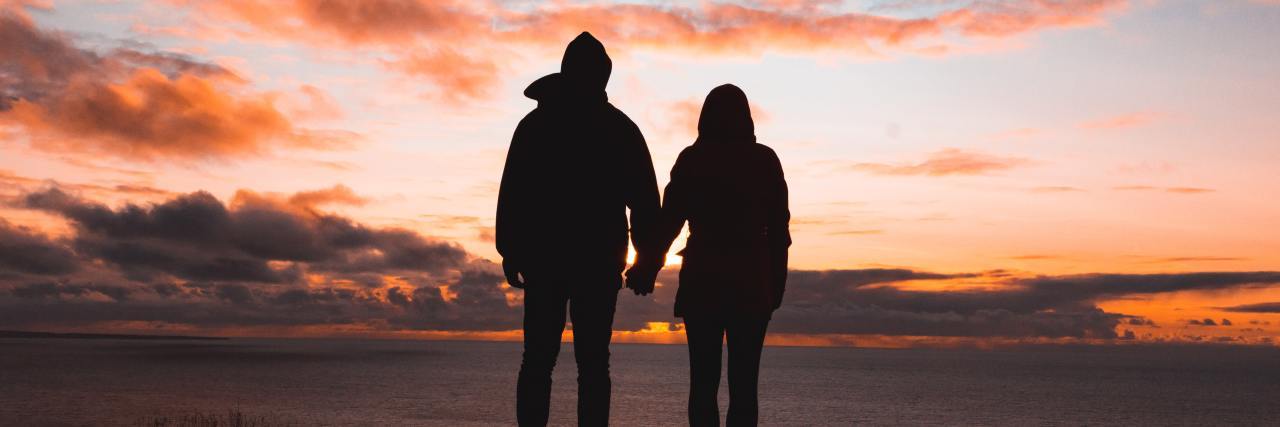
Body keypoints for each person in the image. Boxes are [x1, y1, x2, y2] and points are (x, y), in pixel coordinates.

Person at [496, 32, 665, 427]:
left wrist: (511, 249)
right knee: (590, 364)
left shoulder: (535, 125)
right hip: (595, 260)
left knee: (539, 360)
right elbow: (644, 202)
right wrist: (647, 261)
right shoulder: (620, 129)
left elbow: (513, 192)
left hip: (549, 258)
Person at [629, 84, 791, 426]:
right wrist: (775, 288)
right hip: (752, 284)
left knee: (702, 384)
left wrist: (646, 267)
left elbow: (668, 223)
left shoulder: (693, 160)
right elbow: (780, 234)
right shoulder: (765, 161)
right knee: (745, 387)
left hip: (703, 282)